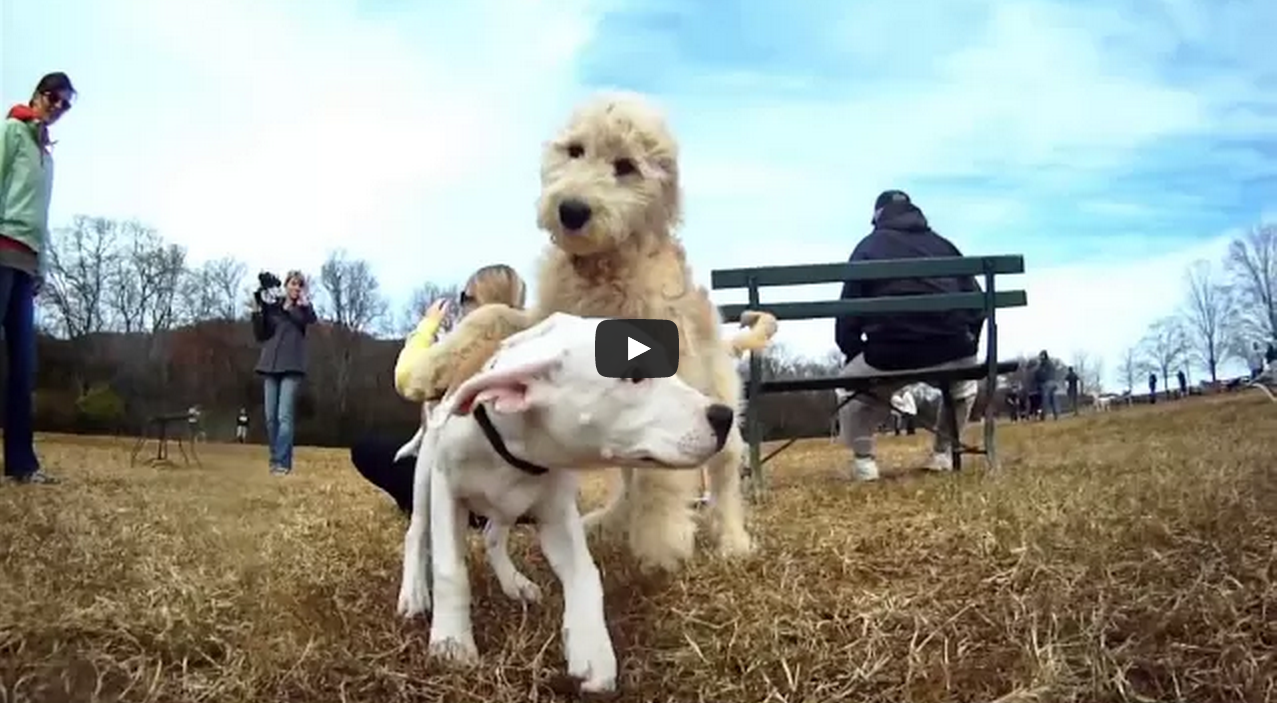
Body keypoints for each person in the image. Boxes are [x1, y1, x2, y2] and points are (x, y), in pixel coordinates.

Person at [833, 190, 986, 481]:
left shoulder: (867, 247)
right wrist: (969, 346)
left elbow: (847, 317)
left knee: (847, 388)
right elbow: (978, 307)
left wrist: (855, 354)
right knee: (963, 387)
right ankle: (943, 455)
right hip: (952, 350)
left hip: (890, 354)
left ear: (877, 216)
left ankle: (864, 463)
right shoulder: (945, 246)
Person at [350, 264, 527, 515]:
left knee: (367, 448)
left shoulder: (467, 347)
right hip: (519, 485)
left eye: (465, 298)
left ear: (481, 302)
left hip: (468, 476)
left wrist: (427, 325)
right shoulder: (533, 343)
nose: (461, 305)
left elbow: (407, 378)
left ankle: (453, 507)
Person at [1, 72, 75, 485]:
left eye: (65, 104)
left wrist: (42, 267)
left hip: (27, 265)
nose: (57, 107)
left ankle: (21, 463)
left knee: (23, 366)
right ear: (37, 95)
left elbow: (42, 218)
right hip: (1, 251)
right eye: (53, 98)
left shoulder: (47, 156)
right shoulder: (11, 131)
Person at [251, 270, 317, 475]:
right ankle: (275, 460)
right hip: (270, 365)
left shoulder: (303, 310)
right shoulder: (273, 309)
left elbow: (307, 320)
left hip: (292, 367)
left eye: (300, 285)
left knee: (284, 416)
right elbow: (261, 334)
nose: (296, 288)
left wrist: (299, 304)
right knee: (270, 418)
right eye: (293, 284)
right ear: (286, 285)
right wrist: (257, 311)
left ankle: (282, 463)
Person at [1033, 351, 1058, 420]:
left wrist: (1038, 379)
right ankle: (1056, 414)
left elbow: (1040, 374)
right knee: (1053, 400)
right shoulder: (1051, 364)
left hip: (1046, 383)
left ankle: (1043, 416)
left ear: (1043, 356)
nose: (1040, 358)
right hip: (1053, 383)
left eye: (1041, 356)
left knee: (1045, 401)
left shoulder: (1043, 364)